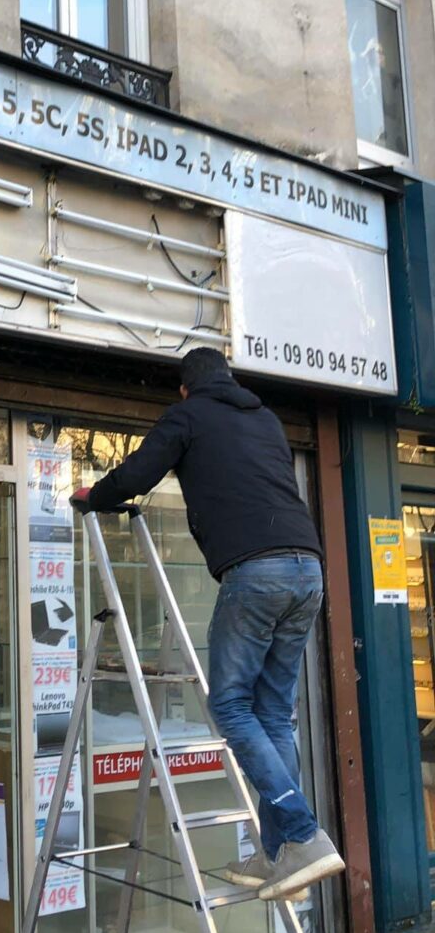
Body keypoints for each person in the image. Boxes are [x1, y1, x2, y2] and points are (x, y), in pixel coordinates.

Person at [71, 346, 344, 902]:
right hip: (307, 569)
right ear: (230, 378)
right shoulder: (263, 417)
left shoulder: (189, 415)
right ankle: (279, 855)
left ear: (185, 390)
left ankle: (302, 834)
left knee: (231, 706)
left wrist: (93, 497)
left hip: (257, 568)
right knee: (272, 714)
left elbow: (139, 473)